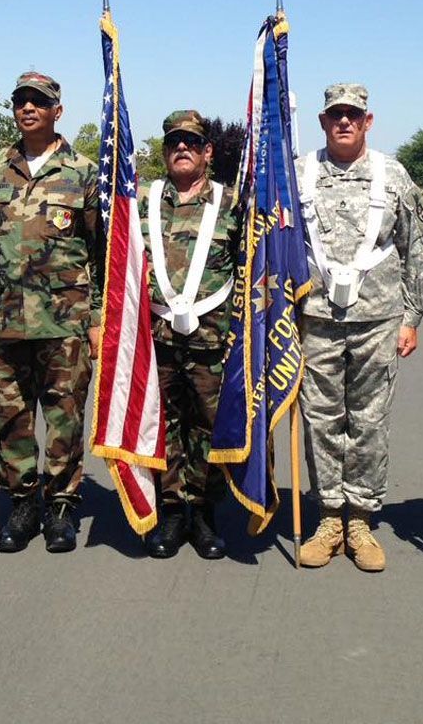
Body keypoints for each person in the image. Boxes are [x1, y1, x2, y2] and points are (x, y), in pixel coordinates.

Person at [0, 71, 102, 554]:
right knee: (12, 418)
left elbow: (102, 250)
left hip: (65, 321)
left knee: (64, 414)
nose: (28, 108)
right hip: (2, 319)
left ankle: (62, 503)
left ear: (57, 111)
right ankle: (22, 501)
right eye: (21, 100)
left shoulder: (84, 172)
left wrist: (98, 318)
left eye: (38, 101)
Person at [295, 84, 423, 572]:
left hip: (378, 318)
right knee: (322, 419)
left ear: (368, 121)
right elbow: (278, 242)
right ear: (323, 121)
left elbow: (416, 247)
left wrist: (412, 317)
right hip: (315, 318)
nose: (345, 122)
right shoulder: (300, 173)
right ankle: (330, 516)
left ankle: (361, 520)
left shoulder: (393, 175)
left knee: (369, 421)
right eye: (336, 115)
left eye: (353, 114)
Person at [141, 110, 240, 560]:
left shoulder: (232, 203)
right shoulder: (144, 202)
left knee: (208, 426)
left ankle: (203, 512)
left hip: (213, 342)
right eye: (174, 142)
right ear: (164, 152)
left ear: (207, 152)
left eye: (191, 142)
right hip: (156, 338)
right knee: (164, 425)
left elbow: (252, 271)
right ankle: (171, 510)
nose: (182, 148)